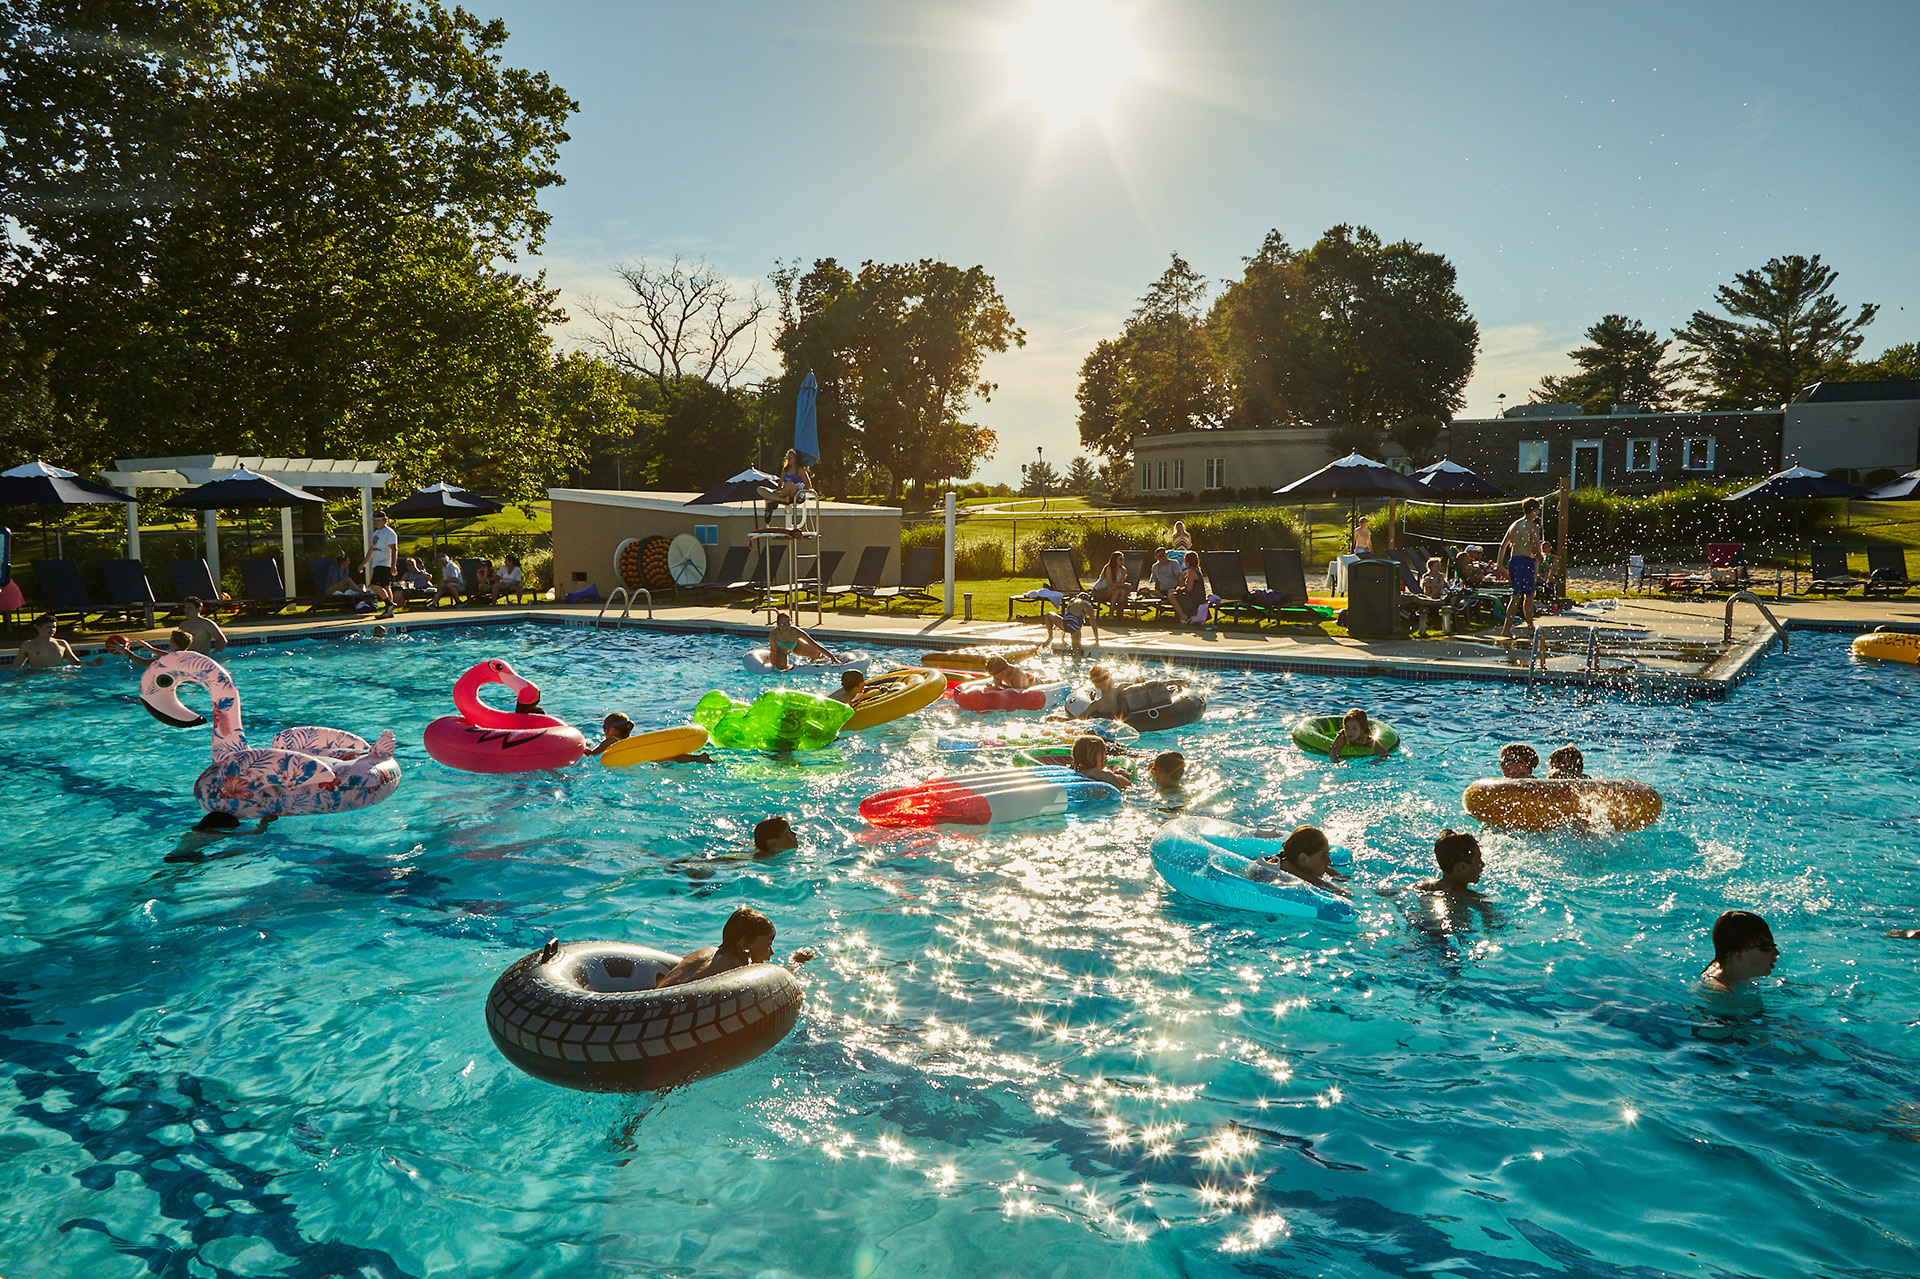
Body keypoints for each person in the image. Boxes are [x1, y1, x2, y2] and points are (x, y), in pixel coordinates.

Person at [655, 907, 813, 989]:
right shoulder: (735, 969)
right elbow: (778, 984)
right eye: (768, 944)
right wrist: (796, 963)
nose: (771, 952)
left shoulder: (707, 952)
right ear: (745, 943)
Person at [1245, 825, 1351, 897]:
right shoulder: (1288, 867)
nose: (1329, 861)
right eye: (1323, 856)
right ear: (1303, 858)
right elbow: (1322, 884)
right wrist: (1344, 892)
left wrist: (1339, 877)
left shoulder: (1293, 858)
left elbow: (1335, 874)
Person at [1497, 497, 1546, 645]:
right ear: (1533, 510)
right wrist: (1542, 559)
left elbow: (1503, 546)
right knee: (1525, 596)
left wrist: (1499, 566)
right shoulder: (1532, 526)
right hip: (1525, 561)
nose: (1538, 513)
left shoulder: (1514, 525)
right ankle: (1519, 628)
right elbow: (1536, 548)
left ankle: (1524, 626)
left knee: (1520, 593)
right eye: (1537, 510)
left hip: (1513, 561)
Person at [1700, 911, 1779, 990]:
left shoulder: (1735, 973)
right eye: (1766, 947)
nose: (1776, 953)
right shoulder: (1720, 994)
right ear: (1736, 954)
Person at [168, 810, 275, 862]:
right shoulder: (217, 834)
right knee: (239, 851)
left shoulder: (193, 832)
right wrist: (264, 822)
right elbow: (256, 832)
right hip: (186, 857)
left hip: (173, 856)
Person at [13, 614, 106, 672]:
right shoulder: (28, 645)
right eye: (48, 627)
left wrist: (91, 664)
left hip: (57, 676)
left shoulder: (62, 643)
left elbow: (75, 663)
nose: (52, 630)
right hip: (37, 677)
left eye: (54, 627)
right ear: (38, 627)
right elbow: (16, 666)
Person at [1415, 830, 1486, 895]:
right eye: (1478, 859)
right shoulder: (1472, 898)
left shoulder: (1420, 887)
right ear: (1463, 868)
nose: (1482, 865)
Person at [767, 612, 835, 669]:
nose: (784, 627)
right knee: (782, 667)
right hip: (781, 651)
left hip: (796, 646)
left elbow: (814, 644)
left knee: (816, 654)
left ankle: (811, 662)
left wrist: (832, 657)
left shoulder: (796, 632)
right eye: (781, 624)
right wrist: (774, 666)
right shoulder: (773, 635)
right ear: (777, 624)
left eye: (787, 623)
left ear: (790, 623)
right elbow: (773, 652)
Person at [1324, 707, 1391, 765]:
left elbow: (1386, 754)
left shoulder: (1367, 739)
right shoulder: (1342, 737)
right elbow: (1333, 753)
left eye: (1354, 729)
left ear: (1362, 730)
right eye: (1347, 728)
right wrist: (1338, 763)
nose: (1350, 732)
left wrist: (1375, 761)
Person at [366, 510, 400, 619]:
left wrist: (393, 564)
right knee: (385, 586)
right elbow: (372, 549)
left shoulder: (389, 533)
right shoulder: (375, 534)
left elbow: (394, 549)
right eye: (374, 521)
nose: (376, 523)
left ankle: (389, 604)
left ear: (384, 520)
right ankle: (389, 610)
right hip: (377, 563)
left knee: (375, 585)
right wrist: (364, 563)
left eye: (378, 520)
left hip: (384, 563)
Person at [762, 449, 812, 523]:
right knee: (760, 489)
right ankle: (778, 499)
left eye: (791, 457)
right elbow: (780, 484)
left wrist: (802, 491)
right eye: (788, 457)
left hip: (795, 494)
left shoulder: (800, 470)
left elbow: (808, 485)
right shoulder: (785, 470)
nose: (789, 459)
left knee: (789, 484)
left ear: (796, 458)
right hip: (785, 494)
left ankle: (772, 499)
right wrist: (779, 489)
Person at [1170, 552, 1208, 627]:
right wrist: (1182, 586)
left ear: (1187, 561)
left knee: (1171, 596)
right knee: (1171, 591)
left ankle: (1183, 617)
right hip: (1197, 596)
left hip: (1194, 599)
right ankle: (1178, 615)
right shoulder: (1197, 570)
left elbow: (1189, 589)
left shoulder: (1191, 571)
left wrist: (1182, 584)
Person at [123, 629, 194, 667]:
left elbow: (143, 662)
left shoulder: (171, 659)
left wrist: (125, 651)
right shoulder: (188, 656)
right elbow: (167, 655)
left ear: (175, 645)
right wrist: (150, 648)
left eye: (171, 641)